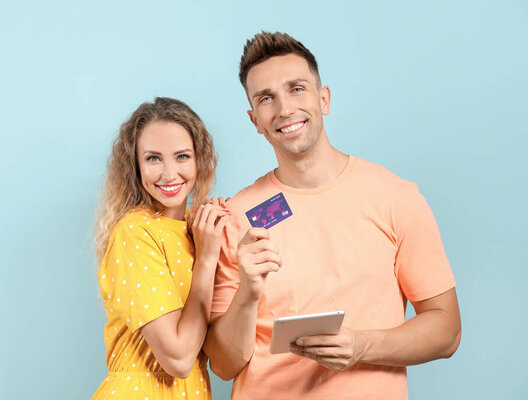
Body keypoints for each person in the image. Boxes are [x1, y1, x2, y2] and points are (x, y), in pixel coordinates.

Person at [203, 32, 461, 399]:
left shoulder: (396, 197)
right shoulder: (237, 216)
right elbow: (224, 366)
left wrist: (360, 346)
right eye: (266, 99)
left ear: (323, 99)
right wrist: (247, 291)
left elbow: (447, 330)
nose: (285, 109)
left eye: (297, 89)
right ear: (255, 120)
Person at [92, 97, 228, 399]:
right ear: (135, 166)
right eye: (154, 158)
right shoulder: (135, 231)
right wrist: (206, 259)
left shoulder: (199, 229)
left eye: (182, 156)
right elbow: (178, 359)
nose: (169, 174)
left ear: (199, 160)